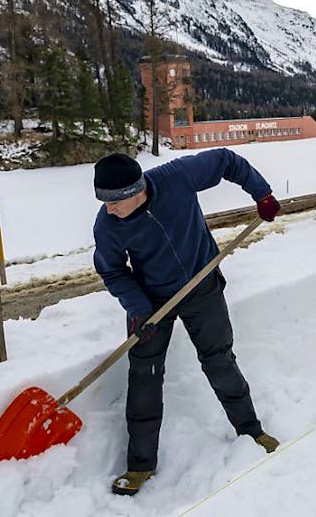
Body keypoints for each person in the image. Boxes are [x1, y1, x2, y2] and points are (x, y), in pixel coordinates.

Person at [91, 150, 282, 496]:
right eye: (102, 202)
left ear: (135, 192)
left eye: (113, 202)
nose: (108, 209)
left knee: (219, 359)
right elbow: (112, 270)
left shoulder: (176, 177)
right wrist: (138, 308)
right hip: (151, 301)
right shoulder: (108, 226)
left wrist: (262, 193)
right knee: (144, 375)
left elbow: (226, 161)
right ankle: (140, 465)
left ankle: (251, 431)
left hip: (202, 281)